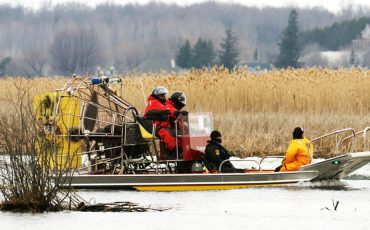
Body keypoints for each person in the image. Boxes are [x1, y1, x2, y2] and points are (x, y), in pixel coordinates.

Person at [144, 87, 187, 157]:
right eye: (161, 96)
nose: (164, 97)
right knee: (169, 136)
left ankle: (175, 151)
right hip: (156, 126)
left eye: (164, 96)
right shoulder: (153, 102)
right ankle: (173, 152)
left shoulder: (159, 103)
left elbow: (167, 109)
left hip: (161, 125)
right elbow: (166, 109)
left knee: (177, 134)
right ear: (156, 96)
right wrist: (176, 112)